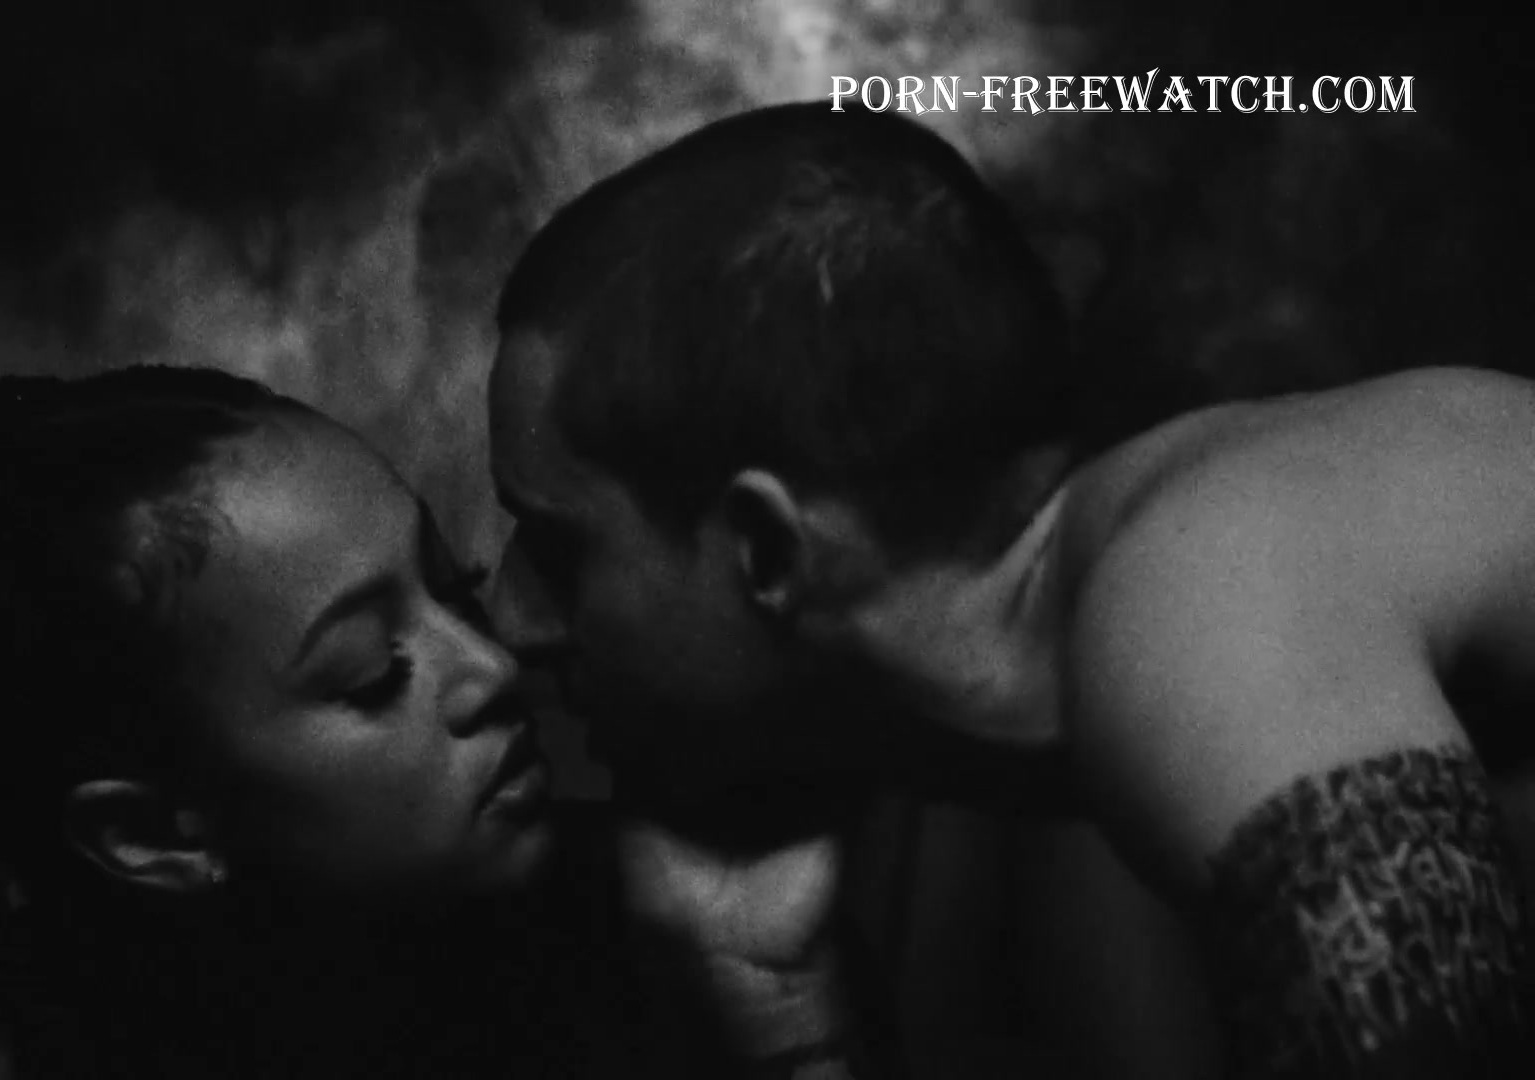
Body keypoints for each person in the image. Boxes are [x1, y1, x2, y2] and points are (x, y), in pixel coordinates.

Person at [485, 101, 1535, 1078]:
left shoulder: (1205, 596)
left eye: (561, 550)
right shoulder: (1036, 724)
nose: (506, 615)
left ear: (765, 548)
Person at [0, 365, 695, 1079]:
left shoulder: (649, 914)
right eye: (373, 673)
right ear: (154, 832)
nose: (492, 668)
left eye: (456, 590)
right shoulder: (11, 1057)